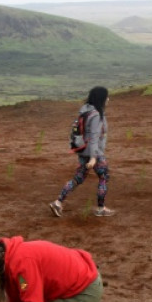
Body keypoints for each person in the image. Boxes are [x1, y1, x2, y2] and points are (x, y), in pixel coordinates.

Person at [50, 86, 115, 217]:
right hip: (94, 153)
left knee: (78, 178)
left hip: (83, 150)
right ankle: (101, 208)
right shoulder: (96, 115)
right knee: (104, 177)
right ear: (101, 98)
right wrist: (93, 157)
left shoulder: (85, 111)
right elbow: (94, 137)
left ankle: (58, 202)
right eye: (106, 96)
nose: (108, 99)